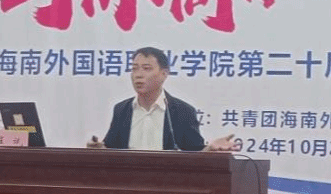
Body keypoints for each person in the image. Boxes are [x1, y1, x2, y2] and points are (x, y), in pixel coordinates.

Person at [87, 46, 235, 152]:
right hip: (128, 183)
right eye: (134, 68)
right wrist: (99, 148)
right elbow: (111, 150)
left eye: (146, 68)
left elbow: (195, 153)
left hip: (168, 183)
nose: (138, 75)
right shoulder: (122, 110)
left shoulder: (182, 111)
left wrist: (210, 149)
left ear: (164, 74)